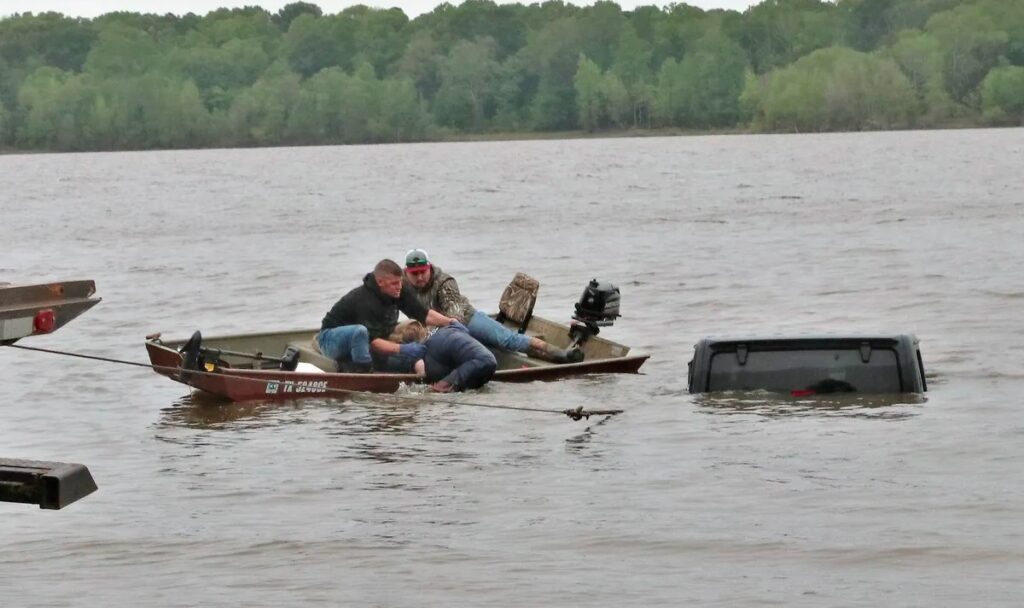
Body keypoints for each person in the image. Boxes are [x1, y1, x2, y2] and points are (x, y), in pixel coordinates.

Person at [402, 248, 583, 364]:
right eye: (414, 273)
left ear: (429, 267)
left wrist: (440, 332)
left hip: (466, 319)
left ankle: (558, 353)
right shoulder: (401, 286)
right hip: (438, 331)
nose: (419, 277)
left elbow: (455, 314)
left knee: (506, 340)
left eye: (422, 272)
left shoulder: (444, 282)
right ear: (406, 272)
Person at [318, 259, 458, 373]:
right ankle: (362, 372)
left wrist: (450, 322)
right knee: (360, 332)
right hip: (331, 339)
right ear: (380, 282)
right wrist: (403, 349)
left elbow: (424, 314)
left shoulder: (398, 289)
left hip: (372, 337)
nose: (399, 287)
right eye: (394, 284)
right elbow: (373, 342)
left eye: (400, 282)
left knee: (413, 329)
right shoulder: (365, 301)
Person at [390, 320, 497, 392]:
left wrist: (446, 383)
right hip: (481, 364)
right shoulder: (448, 330)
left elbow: (486, 360)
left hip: (482, 361)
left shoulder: (428, 350)